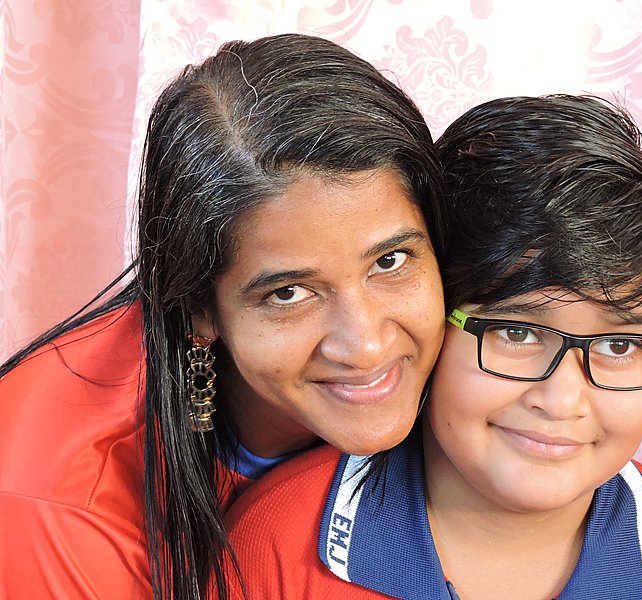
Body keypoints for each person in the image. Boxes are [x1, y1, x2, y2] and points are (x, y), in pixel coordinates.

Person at [222, 95, 642, 599]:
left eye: (618, 344)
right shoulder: (272, 549)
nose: (562, 401)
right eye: (517, 333)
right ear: (433, 319)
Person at [0, 34, 448, 600]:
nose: (365, 345)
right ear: (198, 306)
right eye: (289, 294)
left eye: (390, 261)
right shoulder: (52, 501)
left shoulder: (489, 357)